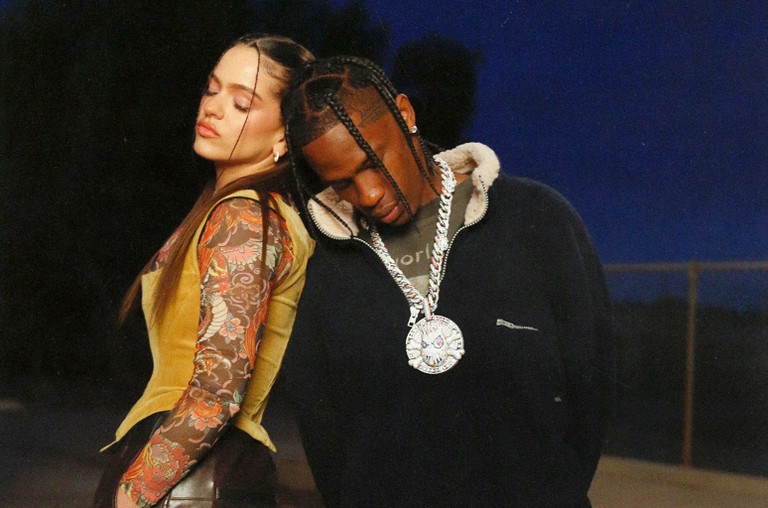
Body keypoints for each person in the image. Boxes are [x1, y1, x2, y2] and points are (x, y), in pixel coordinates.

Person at [280, 56, 616, 507]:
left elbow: (592, 382)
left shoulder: (536, 219)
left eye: (373, 162)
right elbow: (325, 431)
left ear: (404, 113)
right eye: (342, 184)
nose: (369, 194)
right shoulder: (330, 271)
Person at [92, 35, 314, 508]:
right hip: (189, 475)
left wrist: (133, 493)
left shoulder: (244, 216)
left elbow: (218, 390)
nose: (212, 107)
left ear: (284, 136)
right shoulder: (237, 211)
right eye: (212, 90)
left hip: (186, 483)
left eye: (241, 103)